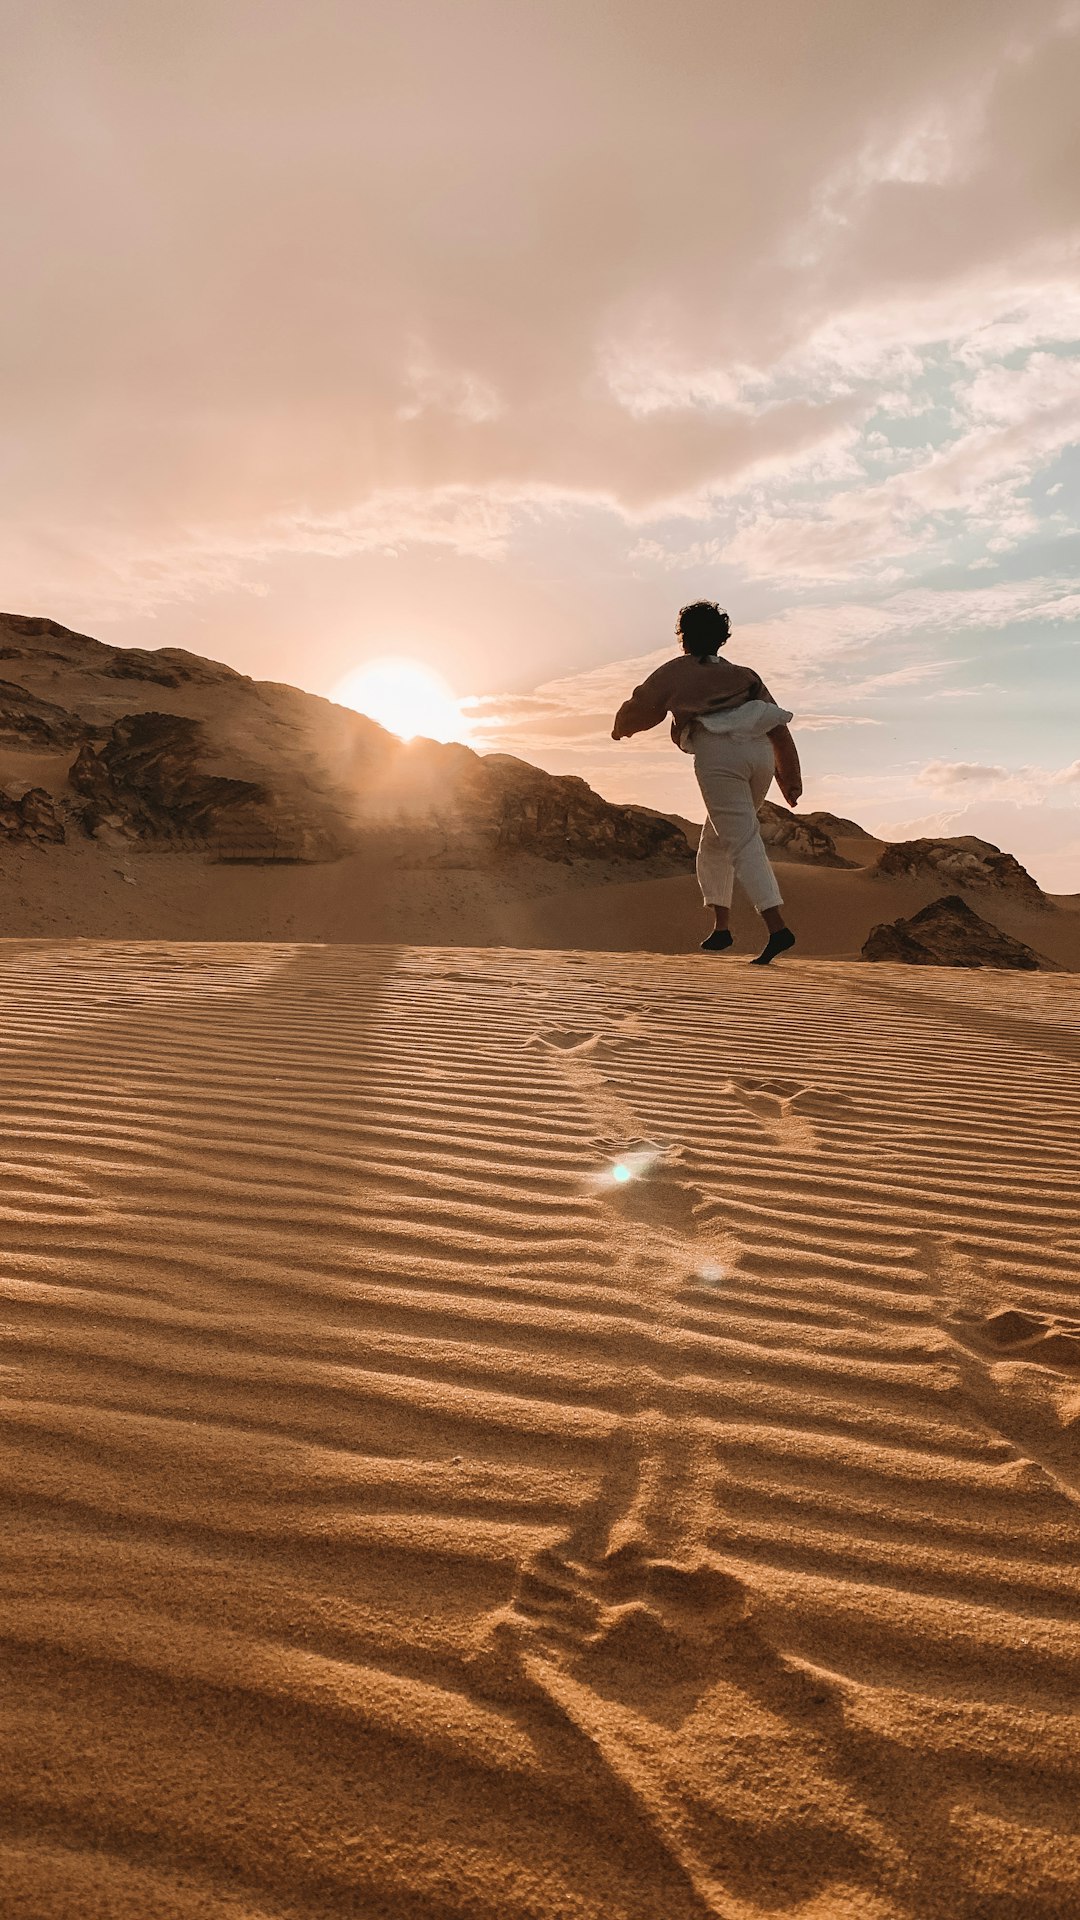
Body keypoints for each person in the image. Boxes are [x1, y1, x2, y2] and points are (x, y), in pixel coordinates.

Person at [611, 601, 801, 964]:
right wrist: (789, 778)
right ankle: (721, 928)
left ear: (684, 637)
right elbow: (777, 725)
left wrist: (622, 729)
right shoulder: (745, 675)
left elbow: (644, 704)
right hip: (759, 755)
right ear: (721, 637)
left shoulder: (676, 671)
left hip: (718, 753)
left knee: (741, 838)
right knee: (715, 838)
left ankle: (778, 928)